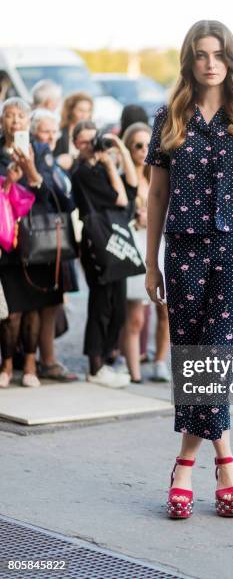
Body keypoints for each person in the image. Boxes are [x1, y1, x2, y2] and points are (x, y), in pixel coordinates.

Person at [144, 20, 233, 518]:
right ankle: (225, 459)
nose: (210, 62)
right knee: (192, 360)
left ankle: (186, 464)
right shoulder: (168, 116)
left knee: (214, 360)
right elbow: (157, 194)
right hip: (182, 251)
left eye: (218, 54)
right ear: (190, 59)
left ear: (230, 59)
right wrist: (151, 261)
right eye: (201, 54)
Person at [0, 98, 71, 388]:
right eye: (9, 115)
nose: (15, 121)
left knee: (32, 307)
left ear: (28, 120)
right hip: (7, 239)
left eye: (20, 116)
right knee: (11, 310)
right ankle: (6, 366)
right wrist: (7, 183)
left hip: (36, 237)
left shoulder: (40, 150)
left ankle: (30, 363)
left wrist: (30, 169)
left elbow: (52, 196)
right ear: (2, 120)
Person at [71, 120, 137, 388]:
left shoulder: (100, 166)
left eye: (93, 140)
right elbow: (120, 199)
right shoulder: (81, 173)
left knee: (118, 306)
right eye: (84, 142)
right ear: (76, 143)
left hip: (114, 237)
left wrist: (119, 147)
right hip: (96, 240)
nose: (90, 146)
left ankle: (108, 360)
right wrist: (111, 164)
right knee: (101, 304)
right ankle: (95, 365)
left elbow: (131, 187)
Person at [30, 109, 78, 381]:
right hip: (41, 238)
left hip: (58, 237)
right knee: (42, 301)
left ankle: (47, 359)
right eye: (44, 131)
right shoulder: (37, 159)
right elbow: (49, 194)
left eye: (53, 131)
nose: (49, 136)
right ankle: (42, 360)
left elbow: (66, 200)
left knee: (53, 301)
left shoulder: (52, 162)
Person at [120, 122, 170, 383]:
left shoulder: (158, 175)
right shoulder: (124, 178)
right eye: (136, 145)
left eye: (147, 145)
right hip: (134, 246)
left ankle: (160, 361)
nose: (143, 150)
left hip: (159, 245)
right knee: (135, 315)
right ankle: (133, 370)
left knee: (166, 310)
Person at [54, 92, 94, 173]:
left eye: (88, 111)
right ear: (71, 110)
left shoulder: (94, 132)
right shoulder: (59, 132)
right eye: (80, 110)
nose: (84, 115)